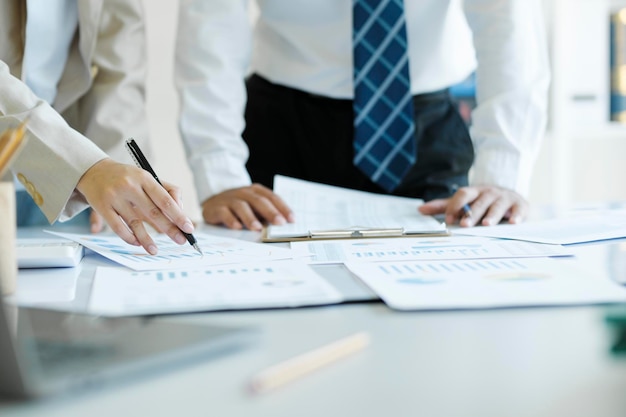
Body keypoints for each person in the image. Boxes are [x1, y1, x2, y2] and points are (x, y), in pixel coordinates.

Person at [174, 0, 550, 231]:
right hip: (284, 127)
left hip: (424, 128)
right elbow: (210, 30)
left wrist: (503, 174)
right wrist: (218, 176)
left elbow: (510, 26)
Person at [0, 0, 195, 255]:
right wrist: (88, 166)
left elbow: (118, 70)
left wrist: (118, 176)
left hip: (65, 190)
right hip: (68, 166)